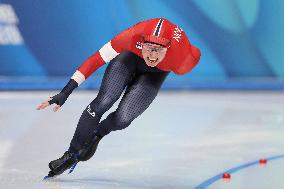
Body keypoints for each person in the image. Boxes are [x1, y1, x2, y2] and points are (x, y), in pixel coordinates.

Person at [37, 18, 201, 178]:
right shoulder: (131, 36)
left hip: (156, 74)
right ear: (141, 42)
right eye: (149, 48)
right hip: (128, 59)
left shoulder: (183, 58)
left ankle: (97, 133)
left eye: (158, 50)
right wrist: (66, 92)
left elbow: (195, 53)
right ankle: (70, 154)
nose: (151, 56)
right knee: (104, 101)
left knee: (123, 119)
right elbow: (95, 60)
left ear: (169, 48)